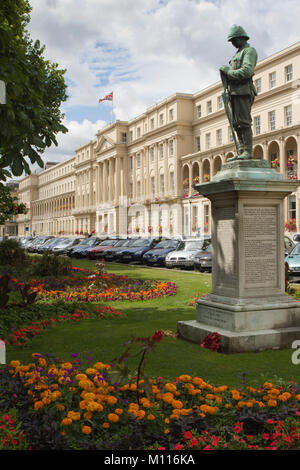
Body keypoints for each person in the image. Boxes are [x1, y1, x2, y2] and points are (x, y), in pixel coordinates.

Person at [219, 25, 258, 160]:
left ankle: (247, 151)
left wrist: (228, 72)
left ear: (241, 37)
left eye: (234, 40)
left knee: (243, 122)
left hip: (243, 91)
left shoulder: (249, 51)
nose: (233, 43)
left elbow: (247, 71)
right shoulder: (237, 54)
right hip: (234, 93)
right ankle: (241, 151)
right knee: (236, 124)